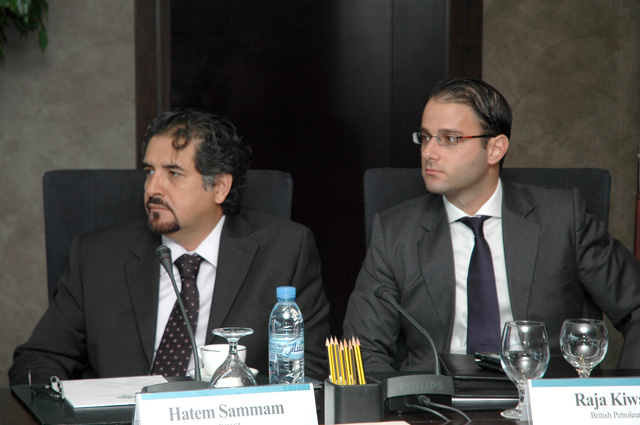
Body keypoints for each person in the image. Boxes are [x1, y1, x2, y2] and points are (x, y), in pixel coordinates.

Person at [10, 109, 330, 385]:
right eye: (149, 171)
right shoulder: (96, 257)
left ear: (219, 187)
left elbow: (311, 372)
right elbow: (38, 360)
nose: (152, 188)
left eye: (173, 174)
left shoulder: (285, 251)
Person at [343, 77, 640, 372]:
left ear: (495, 149)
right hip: (436, 396)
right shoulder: (395, 233)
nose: (428, 152)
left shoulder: (563, 218)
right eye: (425, 137)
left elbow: (635, 306)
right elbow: (364, 350)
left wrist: (629, 389)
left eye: (449, 139)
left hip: (541, 390)